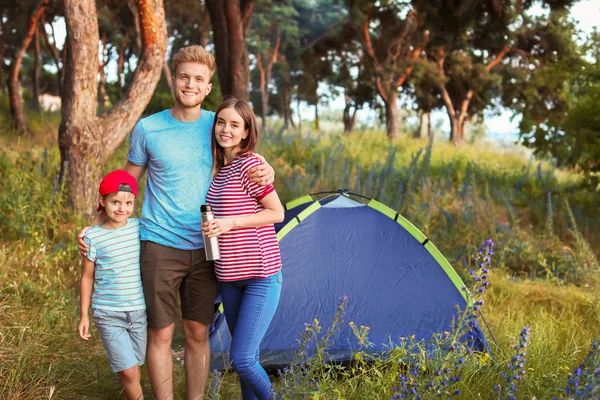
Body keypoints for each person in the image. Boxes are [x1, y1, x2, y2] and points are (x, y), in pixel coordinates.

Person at [78, 45, 274, 400]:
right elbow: (127, 185)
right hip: (158, 244)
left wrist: (267, 168)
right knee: (161, 334)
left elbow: (247, 159)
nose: (190, 84)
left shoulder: (218, 125)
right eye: (184, 76)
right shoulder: (149, 128)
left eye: (198, 79)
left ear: (208, 86)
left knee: (198, 332)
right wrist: (93, 225)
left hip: (207, 249)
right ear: (174, 78)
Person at [202, 96, 284, 400]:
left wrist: (229, 224)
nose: (226, 129)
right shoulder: (218, 171)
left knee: (243, 358)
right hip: (228, 277)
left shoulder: (251, 165)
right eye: (221, 122)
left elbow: (277, 213)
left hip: (259, 276)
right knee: (247, 359)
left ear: (246, 132)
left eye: (235, 124)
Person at [77, 170, 146, 400]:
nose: (121, 208)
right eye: (115, 202)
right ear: (102, 202)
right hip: (108, 312)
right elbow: (87, 277)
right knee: (127, 371)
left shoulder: (139, 227)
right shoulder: (93, 238)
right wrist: (84, 315)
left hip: (139, 311)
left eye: (128, 203)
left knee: (135, 368)